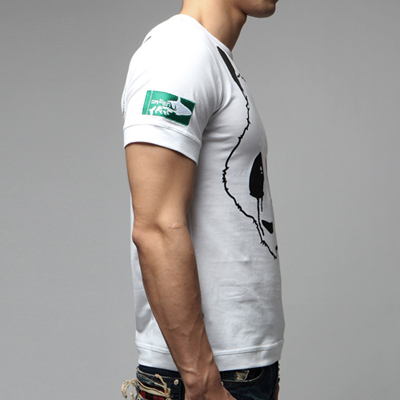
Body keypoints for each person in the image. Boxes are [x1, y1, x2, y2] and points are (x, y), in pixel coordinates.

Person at [120, 1, 284, 399]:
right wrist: (203, 380)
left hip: (241, 370)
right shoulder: (179, 53)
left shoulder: (211, 57)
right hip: (207, 378)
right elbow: (156, 227)